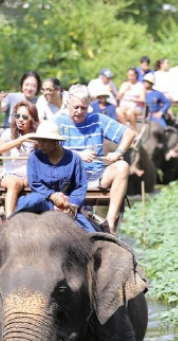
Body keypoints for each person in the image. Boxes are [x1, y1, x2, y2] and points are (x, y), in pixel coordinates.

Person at [55, 85, 136, 234]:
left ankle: (109, 221)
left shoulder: (98, 119)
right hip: (68, 178)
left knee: (122, 166)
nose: (79, 111)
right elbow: (51, 150)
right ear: (68, 105)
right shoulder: (59, 122)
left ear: (88, 107)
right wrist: (77, 155)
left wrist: (118, 152)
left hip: (96, 174)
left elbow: (129, 134)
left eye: (83, 108)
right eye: (76, 107)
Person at [15, 121, 95, 232]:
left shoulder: (74, 159)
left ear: (55, 142)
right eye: (39, 141)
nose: (40, 145)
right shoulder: (34, 158)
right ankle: (12, 221)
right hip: (44, 201)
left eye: (44, 141)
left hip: (67, 204)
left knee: (90, 232)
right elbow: (35, 184)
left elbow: (80, 186)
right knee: (33, 200)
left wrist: (71, 204)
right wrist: (52, 196)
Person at [0, 101, 40, 217]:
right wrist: (21, 139)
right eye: (17, 116)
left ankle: (35, 213)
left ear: (32, 119)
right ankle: (10, 219)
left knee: (32, 181)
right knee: (15, 183)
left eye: (24, 117)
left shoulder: (38, 134)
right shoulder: (9, 133)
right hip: (11, 171)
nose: (20, 119)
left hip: (30, 172)